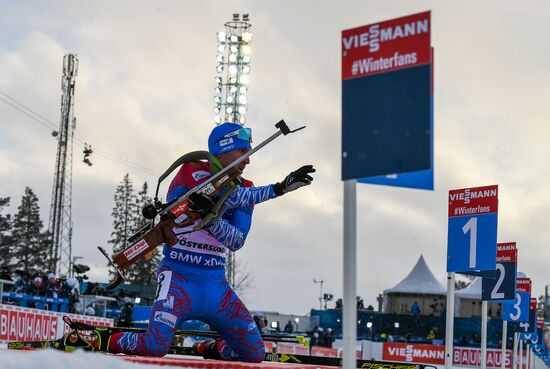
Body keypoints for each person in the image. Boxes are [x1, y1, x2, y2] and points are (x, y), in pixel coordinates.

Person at [79, 122, 315, 361]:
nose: (248, 160)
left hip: (216, 286)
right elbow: (183, 211)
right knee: (154, 346)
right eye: (243, 152)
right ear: (223, 150)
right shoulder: (190, 171)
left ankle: (209, 348)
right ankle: (103, 339)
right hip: (179, 280)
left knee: (254, 353)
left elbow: (236, 240)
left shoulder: (245, 187)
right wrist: (277, 189)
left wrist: (211, 220)